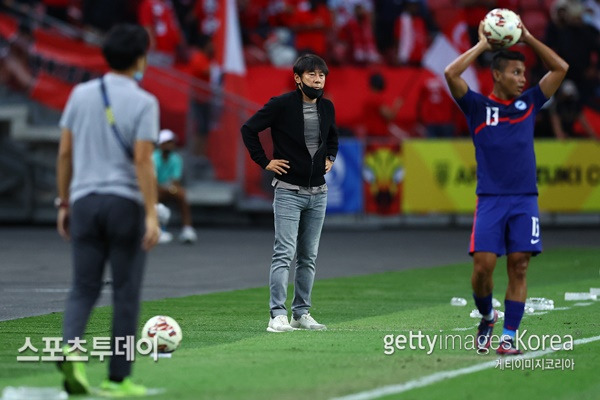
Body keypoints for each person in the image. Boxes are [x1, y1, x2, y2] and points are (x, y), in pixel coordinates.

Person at [444, 19, 568, 354]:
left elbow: (560, 67)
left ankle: (509, 337)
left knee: (520, 264)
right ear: (497, 75)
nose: (522, 79)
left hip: (525, 199)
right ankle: (487, 316)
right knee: (483, 267)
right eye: (515, 73)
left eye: (523, 74)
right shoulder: (477, 107)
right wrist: (484, 45)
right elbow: (451, 74)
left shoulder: (528, 103)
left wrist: (527, 37)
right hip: (490, 200)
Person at [55, 24, 160, 396]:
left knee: (83, 287)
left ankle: (70, 348)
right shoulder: (145, 101)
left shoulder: (80, 94)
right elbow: (143, 161)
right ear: (140, 58)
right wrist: (151, 213)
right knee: (126, 293)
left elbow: (65, 152)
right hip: (124, 204)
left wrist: (64, 202)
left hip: (84, 201)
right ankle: (118, 378)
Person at [241, 54, 338, 332]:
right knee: (284, 253)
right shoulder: (281, 105)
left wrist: (331, 155)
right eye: (312, 75)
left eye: (321, 75)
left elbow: (332, 136)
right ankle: (277, 315)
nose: (318, 80)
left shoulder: (327, 107)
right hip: (288, 192)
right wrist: (265, 162)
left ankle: (301, 313)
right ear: (298, 78)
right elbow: (248, 129)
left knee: (309, 256)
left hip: (319, 193)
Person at [153, 128, 198, 244]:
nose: (170, 145)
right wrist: (168, 189)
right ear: (161, 144)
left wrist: (171, 189)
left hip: (168, 190)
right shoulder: (153, 158)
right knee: (154, 197)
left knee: (182, 195)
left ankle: (187, 229)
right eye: (167, 142)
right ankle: (156, 230)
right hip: (155, 190)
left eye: (171, 142)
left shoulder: (176, 159)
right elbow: (152, 182)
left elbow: (175, 181)